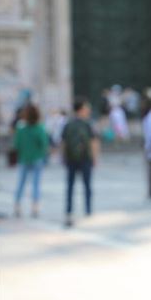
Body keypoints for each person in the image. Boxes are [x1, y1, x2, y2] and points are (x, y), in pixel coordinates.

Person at [61, 97, 100, 227]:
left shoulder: (68, 124)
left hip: (71, 159)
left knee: (70, 186)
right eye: (86, 108)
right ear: (81, 109)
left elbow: (63, 142)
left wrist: (63, 157)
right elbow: (93, 142)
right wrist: (95, 157)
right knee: (87, 185)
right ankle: (88, 210)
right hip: (85, 158)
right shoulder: (87, 124)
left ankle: (69, 211)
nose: (88, 110)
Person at [13, 104, 49, 218]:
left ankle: (17, 205)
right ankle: (35, 207)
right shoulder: (39, 128)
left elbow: (16, 145)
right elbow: (44, 144)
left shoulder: (20, 128)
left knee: (21, 183)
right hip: (37, 158)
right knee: (36, 184)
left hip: (24, 158)